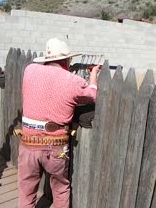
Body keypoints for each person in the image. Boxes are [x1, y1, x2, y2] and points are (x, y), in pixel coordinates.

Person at [18, 38, 100, 208]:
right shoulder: (73, 81)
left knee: (26, 191)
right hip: (56, 145)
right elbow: (92, 95)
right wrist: (93, 75)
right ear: (66, 60)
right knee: (61, 189)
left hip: (28, 142)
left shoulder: (30, 70)